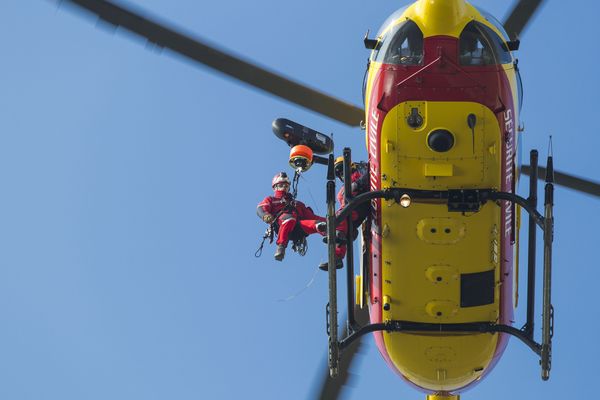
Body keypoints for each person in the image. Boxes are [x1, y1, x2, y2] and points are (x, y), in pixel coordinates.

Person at [257, 172, 326, 261]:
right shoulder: (271, 200)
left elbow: (311, 216)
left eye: (286, 185)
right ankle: (281, 247)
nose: (284, 187)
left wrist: (331, 220)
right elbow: (261, 208)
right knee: (289, 218)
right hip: (281, 224)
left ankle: (329, 232)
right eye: (281, 185)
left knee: (318, 224)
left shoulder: (297, 204)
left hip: (298, 227)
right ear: (275, 187)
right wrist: (266, 216)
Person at [319, 157, 370, 271]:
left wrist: (357, 184)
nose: (342, 175)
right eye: (339, 173)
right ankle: (337, 256)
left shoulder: (360, 170)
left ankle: (338, 235)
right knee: (336, 222)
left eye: (343, 170)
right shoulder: (342, 189)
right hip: (350, 213)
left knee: (339, 219)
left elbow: (370, 175)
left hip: (360, 205)